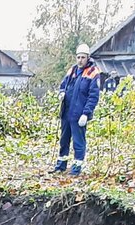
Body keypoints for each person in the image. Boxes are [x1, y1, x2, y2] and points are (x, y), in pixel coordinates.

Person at [54, 44, 101, 176]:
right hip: (67, 112)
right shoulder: (72, 70)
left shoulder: (93, 73)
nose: (80, 60)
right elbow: (63, 84)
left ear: (88, 58)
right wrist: (62, 92)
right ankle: (60, 166)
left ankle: (76, 168)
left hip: (79, 114)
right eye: (78, 57)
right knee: (64, 140)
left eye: (83, 57)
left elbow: (93, 96)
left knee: (78, 142)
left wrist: (86, 114)